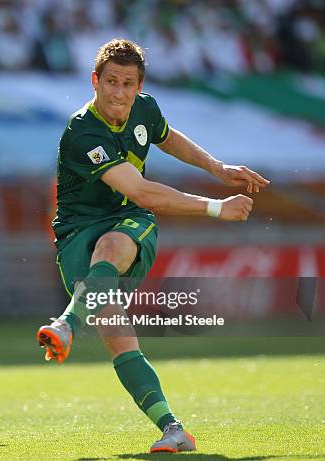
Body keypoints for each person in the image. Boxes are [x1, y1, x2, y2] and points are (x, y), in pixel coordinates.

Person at [36, 39, 269, 453]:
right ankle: (174, 428)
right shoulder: (82, 132)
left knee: (110, 246)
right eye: (111, 82)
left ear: (139, 86)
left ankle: (65, 325)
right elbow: (143, 189)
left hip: (129, 224)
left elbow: (166, 137)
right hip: (76, 235)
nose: (119, 93)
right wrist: (217, 208)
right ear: (95, 81)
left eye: (128, 84)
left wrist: (217, 167)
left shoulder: (145, 108)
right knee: (119, 339)